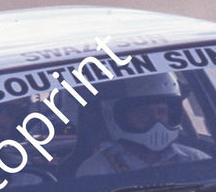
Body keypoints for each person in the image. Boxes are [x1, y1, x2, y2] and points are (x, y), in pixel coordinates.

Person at [77, 73, 208, 175]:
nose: (156, 119)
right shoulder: (97, 169)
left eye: (162, 112)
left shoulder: (195, 160)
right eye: (143, 113)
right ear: (120, 118)